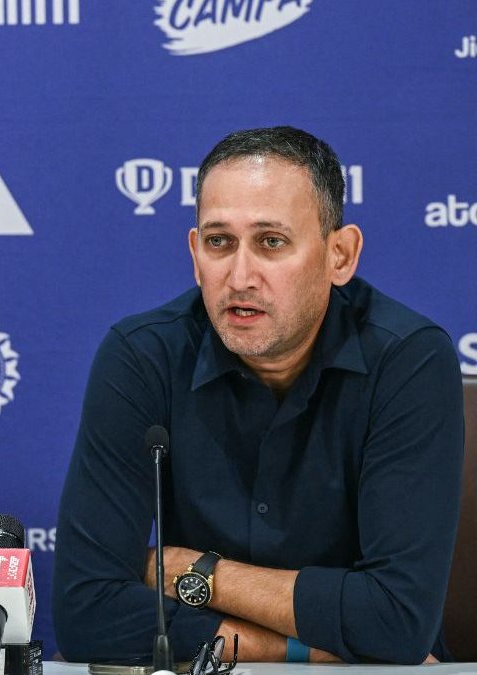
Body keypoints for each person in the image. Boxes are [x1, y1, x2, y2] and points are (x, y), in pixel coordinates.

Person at [53, 127, 464, 665]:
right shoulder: (141, 357)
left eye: (271, 242)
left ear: (340, 255)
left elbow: (397, 621)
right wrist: (300, 649)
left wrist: (197, 573)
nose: (240, 276)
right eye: (219, 242)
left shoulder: (408, 360)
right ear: (196, 254)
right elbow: (87, 614)